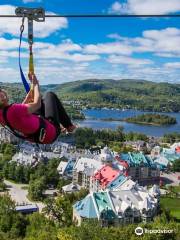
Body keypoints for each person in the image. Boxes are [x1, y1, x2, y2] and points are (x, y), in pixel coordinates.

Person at [0, 74, 76, 144]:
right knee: (49, 95)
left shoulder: (2, 114)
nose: (2, 92)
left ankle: (64, 127)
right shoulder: (13, 110)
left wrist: (30, 91)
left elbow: (18, 114)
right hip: (50, 133)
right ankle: (69, 126)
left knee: (42, 101)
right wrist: (36, 84)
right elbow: (37, 104)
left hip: (37, 136)